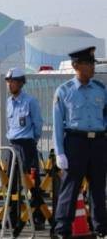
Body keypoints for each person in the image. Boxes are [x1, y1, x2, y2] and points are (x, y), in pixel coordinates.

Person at [53, 46, 107, 239]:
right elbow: (58, 124)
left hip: (98, 143)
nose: (92, 67)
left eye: (93, 63)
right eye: (89, 63)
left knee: (99, 187)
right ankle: (62, 229)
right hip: (75, 142)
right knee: (70, 187)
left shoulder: (101, 89)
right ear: (76, 65)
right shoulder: (64, 91)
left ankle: (101, 227)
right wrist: (60, 152)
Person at [5, 67, 45, 230]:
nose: (10, 85)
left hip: (27, 146)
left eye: (13, 81)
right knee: (12, 184)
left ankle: (38, 217)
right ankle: (13, 217)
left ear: (21, 83)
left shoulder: (30, 102)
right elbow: (7, 125)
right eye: (8, 82)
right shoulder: (8, 103)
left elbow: (38, 125)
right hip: (13, 146)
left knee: (33, 183)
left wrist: (31, 141)